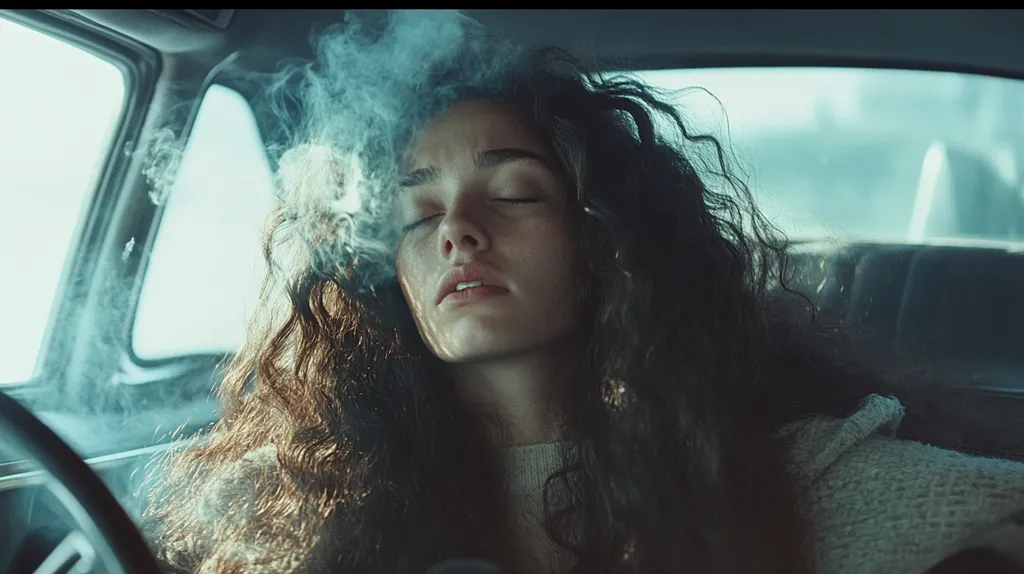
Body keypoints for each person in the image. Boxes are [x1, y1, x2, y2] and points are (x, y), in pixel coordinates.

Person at [142, 10, 1024, 574]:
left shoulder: (780, 471)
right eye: (420, 215)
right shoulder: (305, 497)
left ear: (605, 237)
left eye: (514, 193)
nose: (457, 232)